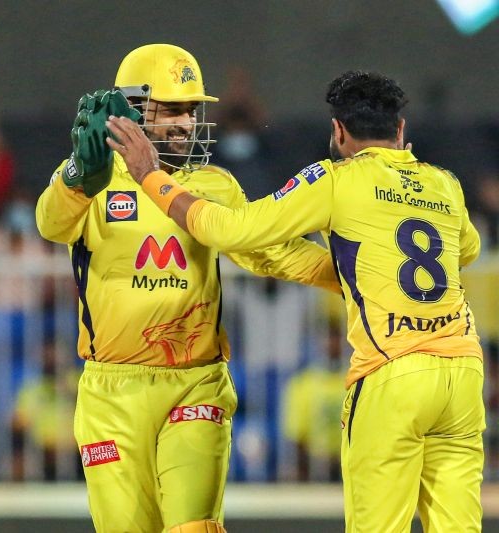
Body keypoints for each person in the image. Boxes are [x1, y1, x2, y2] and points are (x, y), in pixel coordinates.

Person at [109, 70, 484, 532]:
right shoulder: (444, 182)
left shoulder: (335, 179)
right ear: (401, 131)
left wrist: (151, 178)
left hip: (393, 372)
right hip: (463, 372)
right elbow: (467, 250)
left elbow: (231, 231)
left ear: (338, 131)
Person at [36, 43, 341, 532]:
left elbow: (271, 251)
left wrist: (354, 276)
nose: (185, 122)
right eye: (172, 109)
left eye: (191, 110)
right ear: (133, 108)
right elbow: (50, 225)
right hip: (111, 394)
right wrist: (77, 175)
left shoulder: (214, 186)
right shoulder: (91, 179)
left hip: (196, 383)